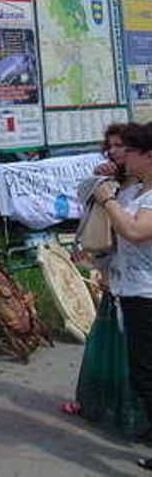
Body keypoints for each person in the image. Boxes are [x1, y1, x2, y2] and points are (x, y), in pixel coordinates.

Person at [92, 122, 152, 470]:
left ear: (147, 155)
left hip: (146, 295)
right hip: (133, 290)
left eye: (128, 150)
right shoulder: (139, 191)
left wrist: (109, 200)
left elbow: (134, 231)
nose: (120, 155)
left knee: (146, 373)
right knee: (143, 370)